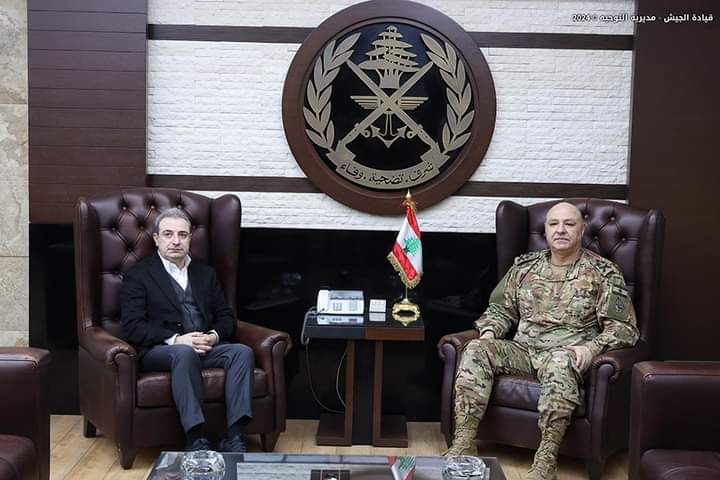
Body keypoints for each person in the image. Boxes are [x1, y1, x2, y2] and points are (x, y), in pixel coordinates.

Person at [445, 202, 639, 480]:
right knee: (476, 348)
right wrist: (488, 333)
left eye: (569, 224)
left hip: (567, 355)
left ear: (582, 229)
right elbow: (500, 310)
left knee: (560, 362)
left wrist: (591, 348)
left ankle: (546, 460)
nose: (561, 230)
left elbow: (624, 328)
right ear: (545, 230)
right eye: (554, 224)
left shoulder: (604, 272)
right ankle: (464, 442)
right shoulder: (525, 267)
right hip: (523, 351)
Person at [121, 208, 254, 452]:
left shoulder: (205, 273)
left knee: (242, 352)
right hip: (162, 350)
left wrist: (212, 337)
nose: (176, 241)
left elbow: (226, 317)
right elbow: (132, 326)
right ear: (156, 239)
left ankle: (235, 437)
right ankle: (195, 438)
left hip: (204, 347)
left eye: (182, 235)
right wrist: (176, 339)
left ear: (190, 238)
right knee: (184, 352)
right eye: (168, 234)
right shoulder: (139, 275)